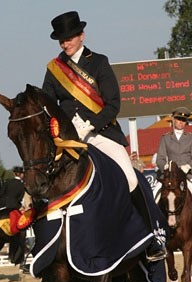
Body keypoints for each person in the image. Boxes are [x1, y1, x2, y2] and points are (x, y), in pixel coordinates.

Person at [42, 11, 166, 262]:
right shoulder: (55, 69)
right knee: (44, 182)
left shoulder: (99, 62)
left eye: (69, 39)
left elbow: (113, 104)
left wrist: (90, 124)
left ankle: (152, 238)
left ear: (81, 35)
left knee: (130, 178)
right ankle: (47, 248)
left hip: (101, 133)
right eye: (61, 40)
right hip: (69, 139)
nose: (65, 44)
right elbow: (48, 105)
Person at [156, 106, 192, 191]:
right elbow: (160, 159)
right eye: (179, 119)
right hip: (170, 175)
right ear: (174, 120)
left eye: (183, 120)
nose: (181, 122)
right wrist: (165, 166)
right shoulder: (166, 138)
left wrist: (188, 166)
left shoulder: (191, 138)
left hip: (188, 175)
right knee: (154, 193)